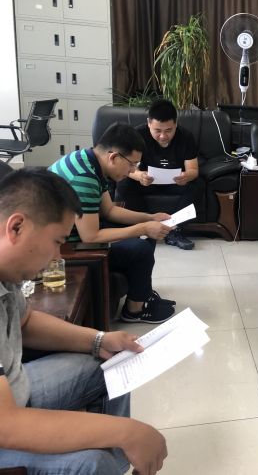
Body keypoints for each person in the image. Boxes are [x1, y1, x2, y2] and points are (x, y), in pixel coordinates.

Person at [0, 168, 167, 475]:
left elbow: (25, 322)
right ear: (17, 227)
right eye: (57, 241)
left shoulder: (7, 273)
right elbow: (6, 424)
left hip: (14, 390)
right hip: (5, 421)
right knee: (91, 464)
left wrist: (99, 339)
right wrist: (125, 431)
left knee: (111, 365)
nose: (57, 255)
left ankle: (115, 466)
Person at [49, 123, 176, 324]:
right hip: (65, 248)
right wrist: (143, 227)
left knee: (146, 235)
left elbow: (109, 210)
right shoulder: (84, 178)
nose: (133, 170)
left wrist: (150, 218)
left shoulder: (90, 161)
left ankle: (140, 293)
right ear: (114, 157)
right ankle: (135, 311)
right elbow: (90, 237)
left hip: (80, 232)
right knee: (141, 247)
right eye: (132, 164)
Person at [116, 99, 197, 251]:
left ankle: (174, 230)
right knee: (124, 184)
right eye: (157, 131)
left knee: (197, 184)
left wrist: (186, 176)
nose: (163, 136)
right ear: (149, 123)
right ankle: (143, 227)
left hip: (175, 183)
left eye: (168, 130)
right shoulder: (137, 135)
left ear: (176, 124)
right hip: (146, 182)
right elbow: (125, 167)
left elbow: (193, 170)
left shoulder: (186, 137)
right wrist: (139, 176)